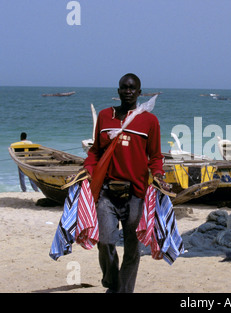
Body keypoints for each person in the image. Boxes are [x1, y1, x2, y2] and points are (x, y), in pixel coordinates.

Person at [82, 73, 171, 293]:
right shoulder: (104, 116)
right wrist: (86, 171)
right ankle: (112, 283)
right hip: (106, 192)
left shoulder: (149, 121)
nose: (128, 91)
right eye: (124, 88)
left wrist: (158, 175)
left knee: (133, 249)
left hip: (136, 194)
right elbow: (95, 151)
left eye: (133, 88)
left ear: (140, 93)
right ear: (118, 91)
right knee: (105, 241)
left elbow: (156, 156)